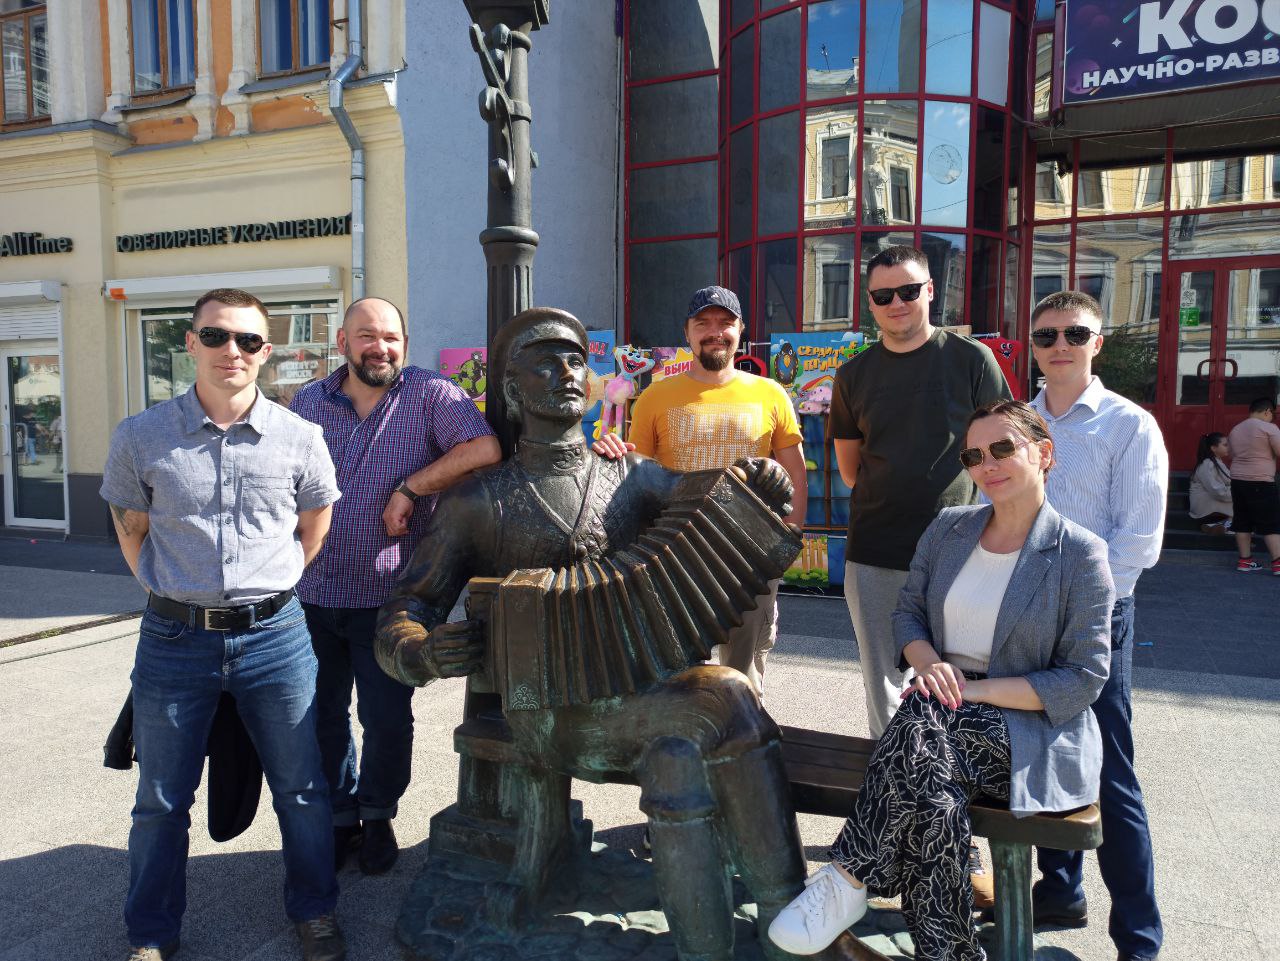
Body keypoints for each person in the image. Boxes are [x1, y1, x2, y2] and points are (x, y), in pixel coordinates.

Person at [375, 307, 866, 961]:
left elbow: (717, 495)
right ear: (513, 389)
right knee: (726, 696)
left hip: (643, 693)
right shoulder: (478, 500)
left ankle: (729, 944)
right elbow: (406, 608)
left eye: (576, 359)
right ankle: (794, 927)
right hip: (548, 712)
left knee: (680, 753)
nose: (567, 372)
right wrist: (422, 650)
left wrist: (760, 481)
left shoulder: (629, 474)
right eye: (545, 362)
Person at [768, 400, 1114, 961]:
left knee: (922, 721)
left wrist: (970, 690)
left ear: (1044, 453)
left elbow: (1082, 678)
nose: (987, 464)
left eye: (1002, 448)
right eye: (973, 456)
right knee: (933, 788)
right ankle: (946, 950)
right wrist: (928, 661)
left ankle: (848, 876)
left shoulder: (1079, 554)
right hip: (938, 716)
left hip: (1027, 727)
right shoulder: (950, 528)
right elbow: (907, 613)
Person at [100, 288, 346, 961]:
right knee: (160, 799)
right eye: (215, 336)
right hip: (174, 640)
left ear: (266, 351)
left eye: (247, 340)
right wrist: (171, 591)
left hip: (276, 638)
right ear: (190, 343)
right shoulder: (141, 436)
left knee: (302, 788)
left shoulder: (300, 437)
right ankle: (152, 934)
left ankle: (315, 911)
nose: (230, 350)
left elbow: (314, 526)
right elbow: (131, 529)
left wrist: (273, 584)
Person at [290, 297, 500, 874]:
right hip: (311, 592)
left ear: (404, 345)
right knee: (321, 714)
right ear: (343, 343)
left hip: (391, 599)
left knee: (386, 720)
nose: (379, 347)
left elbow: (485, 449)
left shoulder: (432, 395)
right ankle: (340, 818)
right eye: (366, 336)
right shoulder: (309, 401)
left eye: (390, 337)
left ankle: (378, 814)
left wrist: (412, 487)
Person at [1027, 290, 1167, 961]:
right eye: (1047, 335)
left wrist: (1079, 602)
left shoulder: (1128, 425)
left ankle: (1139, 938)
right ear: (1033, 345)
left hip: (1095, 615)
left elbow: (1138, 542)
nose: (1060, 345)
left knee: (1110, 770)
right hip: (1024, 613)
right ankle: (1059, 889)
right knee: (1041, 752)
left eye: (1075, 333)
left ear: (1097, 342)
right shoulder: (1018, 421)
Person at [829, 245, 1012, 739]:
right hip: (875, 550)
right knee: (884, 683)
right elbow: (850, 470)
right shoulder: (852, 376)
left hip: (960, 550)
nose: (897, 303)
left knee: (959, 678)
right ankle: (894, 778)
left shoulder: (972, 360)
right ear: (870, 303)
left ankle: (951, 774)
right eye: (883, 296)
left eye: (908, 291)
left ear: (931, 291)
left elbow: (1005, 449)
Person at [593, 285, 806, 695]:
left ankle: (743, 736)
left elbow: (795, 472)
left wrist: (788, 540)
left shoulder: (770, 393)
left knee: (744, 683)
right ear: (687, 332)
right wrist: (609, 454)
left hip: (752, 558)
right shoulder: (654, 397)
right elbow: (638, 478)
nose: (715, 332)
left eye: (725, 323)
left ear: (740, 330)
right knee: (676, 681)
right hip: (675, 558)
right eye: (703, 323)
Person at [1227, 397, 1280, 574]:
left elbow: (1231, 453)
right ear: (1267, 411)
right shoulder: (1269, 428)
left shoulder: (1235, 429)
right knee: (1270, 522)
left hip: (1238, 480)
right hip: (1261, 480)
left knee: (1242, 521)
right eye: (1273, 414)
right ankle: (1278, 563)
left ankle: (1245, 561)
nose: (1272, 418)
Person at [1188, 432, 1232, 534]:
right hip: (1205, 507)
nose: (1228, 447)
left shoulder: (1216, 462)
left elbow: (1229, 481)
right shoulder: (1207, 464)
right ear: (1213, 448)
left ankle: (1217, 526)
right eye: (1225, 445)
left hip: (1212, 501)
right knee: (1245, 506)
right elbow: (1217, 491)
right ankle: (1228, 526)